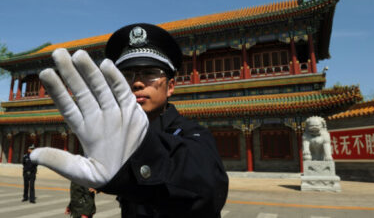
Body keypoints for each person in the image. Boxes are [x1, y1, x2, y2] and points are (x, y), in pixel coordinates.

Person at [31, 23, 229, 217]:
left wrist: (144, 154)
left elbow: (209, 187)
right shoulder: (114, 137)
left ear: (170, 86)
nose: (137, 82)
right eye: (126, 75)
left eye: (150, 73)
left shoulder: (193, 134)